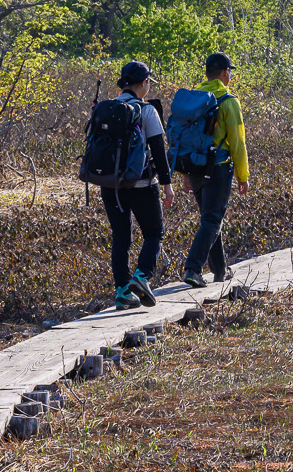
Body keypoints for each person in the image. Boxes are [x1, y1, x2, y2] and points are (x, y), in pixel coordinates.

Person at [102, 61, 172, 310]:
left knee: (121, 236)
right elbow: (158, 151)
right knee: (154, 233)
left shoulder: (107, 109)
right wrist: (167, 185)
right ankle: (142, 277)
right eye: (149, 82)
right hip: (142, 184)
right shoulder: (147, 111)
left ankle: (122, 292)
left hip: (110, 184)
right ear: (143, 83)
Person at [180, 51, 250, 286]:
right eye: (229, 71)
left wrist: (184, 174)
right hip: (218, 167)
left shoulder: (195, 97)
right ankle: (193, 268)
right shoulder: (228, 101)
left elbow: (185, 137)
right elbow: (238, 142)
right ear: (224, 73)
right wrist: (243, 175)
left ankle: (220, 271)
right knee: (212, 219)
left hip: (194, 166)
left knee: (210, 218)